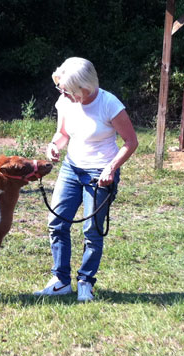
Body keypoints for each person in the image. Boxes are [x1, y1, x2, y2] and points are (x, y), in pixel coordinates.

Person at [34, 57, 138, 301]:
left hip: (100, 173)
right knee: (57, 222)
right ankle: (60, 281)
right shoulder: (65, 101)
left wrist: (111, 168)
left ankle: (85, 282)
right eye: (62, 90)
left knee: (92, 229)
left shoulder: (109, 104)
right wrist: (54, 146)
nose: (64, 95)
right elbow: (61, 134)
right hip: (71, 168)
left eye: (69, 91)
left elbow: (131, 142)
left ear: (85, 87)